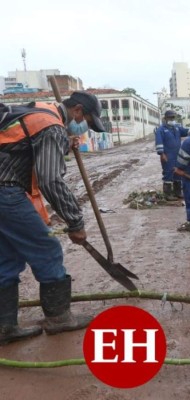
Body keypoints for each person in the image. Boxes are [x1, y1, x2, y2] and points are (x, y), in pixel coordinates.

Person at [0, 91, 105, 345]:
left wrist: (61, 143)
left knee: (7, 256)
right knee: (47, 248)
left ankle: (5, 327)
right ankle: (59, 317)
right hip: (6, 192)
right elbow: (50, 180)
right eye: (88, 121)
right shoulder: (53, 127)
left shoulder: (38, 110)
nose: (85, 127)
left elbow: (22, 145)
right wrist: (75, 222)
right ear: (78, 110)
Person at [155, 110, 190, 200]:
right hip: (168, 156)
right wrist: (162, 154)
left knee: (178, 173)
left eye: (173, 117)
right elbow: (159, 143)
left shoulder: (176, 128)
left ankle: (177, 192)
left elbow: (186, 131)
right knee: (168, 173)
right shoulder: (161, 130)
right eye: (170, 117)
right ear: (165, 118)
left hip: (177, 155)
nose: (172, 119)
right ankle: (168, 194)